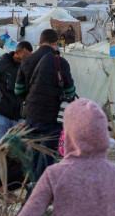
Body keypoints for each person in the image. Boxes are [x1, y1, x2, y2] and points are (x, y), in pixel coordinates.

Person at [13, 28, 76, 184]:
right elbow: (70, 91)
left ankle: (33, 185)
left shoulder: (27, 60)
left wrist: (31, 99)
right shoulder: (61, 62)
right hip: (52, 118)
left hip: (31, 116)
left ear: (40, 42)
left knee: (34, 153)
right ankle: (42, 188)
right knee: (48, 155)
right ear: (56, 43)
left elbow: (18, 90)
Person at [0, 41, 33, 142]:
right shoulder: (0, 65)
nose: (26, 60)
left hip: (19, 116)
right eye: (24, 57)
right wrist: (1, 100)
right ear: (16, 53)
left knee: (17, 147)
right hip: (2, 113)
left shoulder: (28, 68)